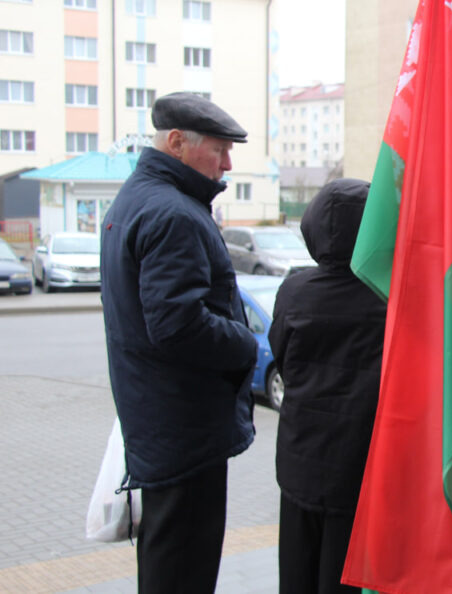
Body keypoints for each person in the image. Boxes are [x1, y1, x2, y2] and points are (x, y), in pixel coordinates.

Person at [100, 92, 257, 594]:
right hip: (184, 433)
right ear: (176, 143)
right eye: (220, 150)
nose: (227, 164)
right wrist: (248, 345)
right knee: (182, 570)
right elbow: (177, 324)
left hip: (163, 425)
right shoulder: (174, 214)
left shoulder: (138, 198)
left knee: (168, 563)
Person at [268, 179, 387, 594]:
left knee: (297, 568)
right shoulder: (388, 298)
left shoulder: (294, 291)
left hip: (301, 459)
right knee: (343, 575)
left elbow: (281, 358)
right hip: (358, 465)